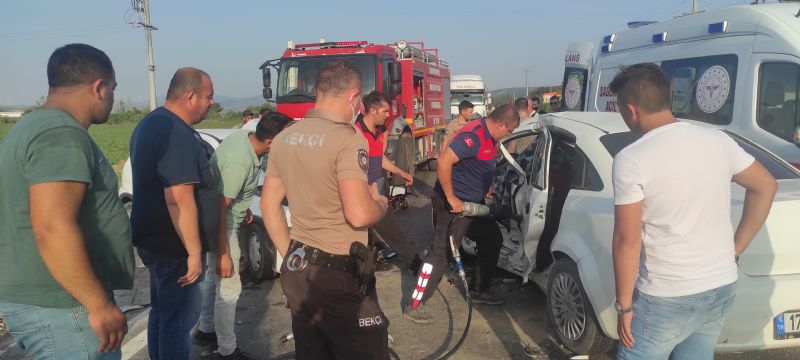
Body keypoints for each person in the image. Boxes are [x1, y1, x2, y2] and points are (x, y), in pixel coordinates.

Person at [611, 63, 777, 359]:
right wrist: (735, 249)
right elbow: (766, 186)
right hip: (721, 285)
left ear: (631, 110)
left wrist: (623, 306)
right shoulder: (717, 140)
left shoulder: (632, 159)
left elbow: (627, 240)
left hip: (666, 296)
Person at [0, 43, 133, 359]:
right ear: (98, 88)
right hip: (65, 307)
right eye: (113, 89)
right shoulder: (61, 134)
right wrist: (98, 304)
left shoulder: (32, 126)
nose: (113, 99)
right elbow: (52, 226)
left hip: (52, 301)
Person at [261, 61, 390, 359]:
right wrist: (380, 204)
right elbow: (358, 214)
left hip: (299, 270)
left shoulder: (284, 138)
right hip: (340, 276)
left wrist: (292, 257)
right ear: (354, 95)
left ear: (318, 91)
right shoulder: (347, 138)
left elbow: (269, 205)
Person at [129, 67, 220, 360]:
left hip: (154, 242)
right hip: (175, 248)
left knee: (163, 316)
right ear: (190, 96)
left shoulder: (151, 123)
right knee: (178, 324)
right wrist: (194, 252)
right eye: (209, 96)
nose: (212, 102)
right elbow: (178, 200)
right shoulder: (175, 133)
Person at [404, 105, 520, 323]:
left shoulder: (491, 138)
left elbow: (482, 165)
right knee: (441, 253)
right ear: (501, 124)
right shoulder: (473, 135)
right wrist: (451, 197)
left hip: (471, 204)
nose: (509, 134)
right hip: (453, 205)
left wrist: (487, 186)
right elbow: (443, 162)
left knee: (491, 237)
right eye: (510, 130)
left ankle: (479, 290)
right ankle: (415, 302)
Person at [193, 113, 293, 359]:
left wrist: (242, 205)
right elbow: (220, 204)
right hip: (222, 226)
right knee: (228, 289)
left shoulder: (244, 139)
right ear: (270, 142)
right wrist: (225, 254)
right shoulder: (242, 161)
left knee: (212, 281)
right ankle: (227, 350)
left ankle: (206, 329)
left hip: (222, 217)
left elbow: (226, 189)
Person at [355, 91, 420, 267]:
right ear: (372, 111)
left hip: (378, 184)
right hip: (363, 190)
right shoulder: (355, 133)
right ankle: (412, 261)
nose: (388, 115)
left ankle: (378, 258)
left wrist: (400, 172)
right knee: (385, 225)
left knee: (385, 225)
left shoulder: (380, 131)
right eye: (385, 111)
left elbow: (379, 158)